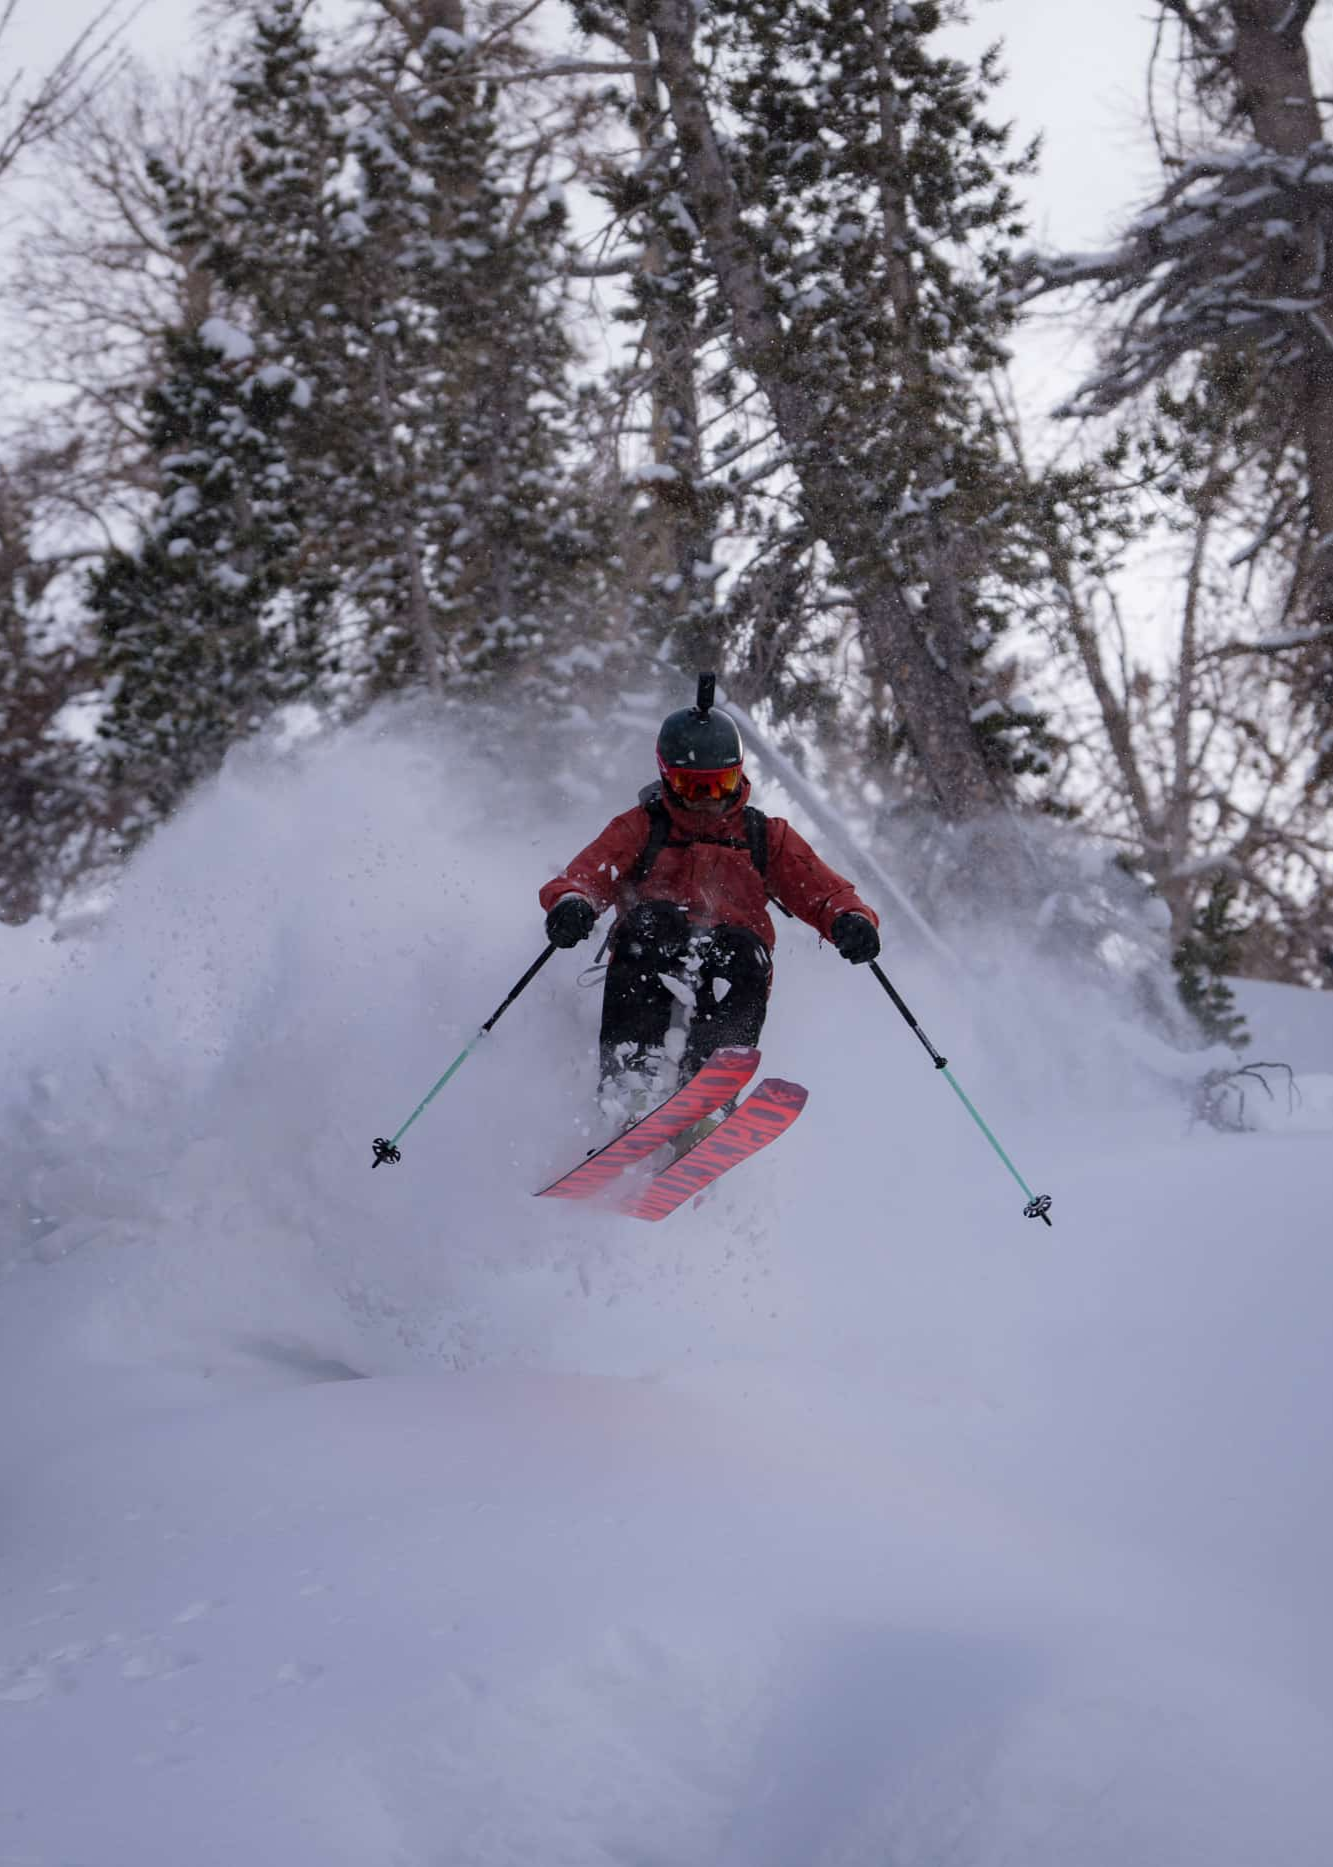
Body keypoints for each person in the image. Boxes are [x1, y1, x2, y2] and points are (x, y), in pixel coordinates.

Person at [539, 675, 881, 1114]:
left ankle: (711, 1088)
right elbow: (586, 876)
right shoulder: (644, 827)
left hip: (728, 951)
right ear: (666, 778)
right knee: (650, 924)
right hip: (656, 953)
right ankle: (633, 1074)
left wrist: (849, 919)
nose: (706, 801)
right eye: (691, 788)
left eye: (719, 786)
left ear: (738, 776)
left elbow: (823, 889)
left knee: (746, 952)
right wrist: (574, 905)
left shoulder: (762, 835)